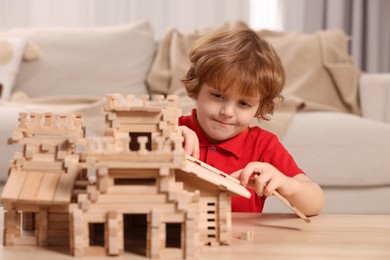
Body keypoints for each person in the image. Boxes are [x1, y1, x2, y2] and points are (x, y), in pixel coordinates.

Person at [178, 27, 324, 215]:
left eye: (244, 103)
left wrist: (289, 185)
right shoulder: (172, 131)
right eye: (217, 95)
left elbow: (315, 203)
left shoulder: (263, 145)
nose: (227, 112)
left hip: (242, 243)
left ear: (259, 107)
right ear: (197, 88)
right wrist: (158, 142)